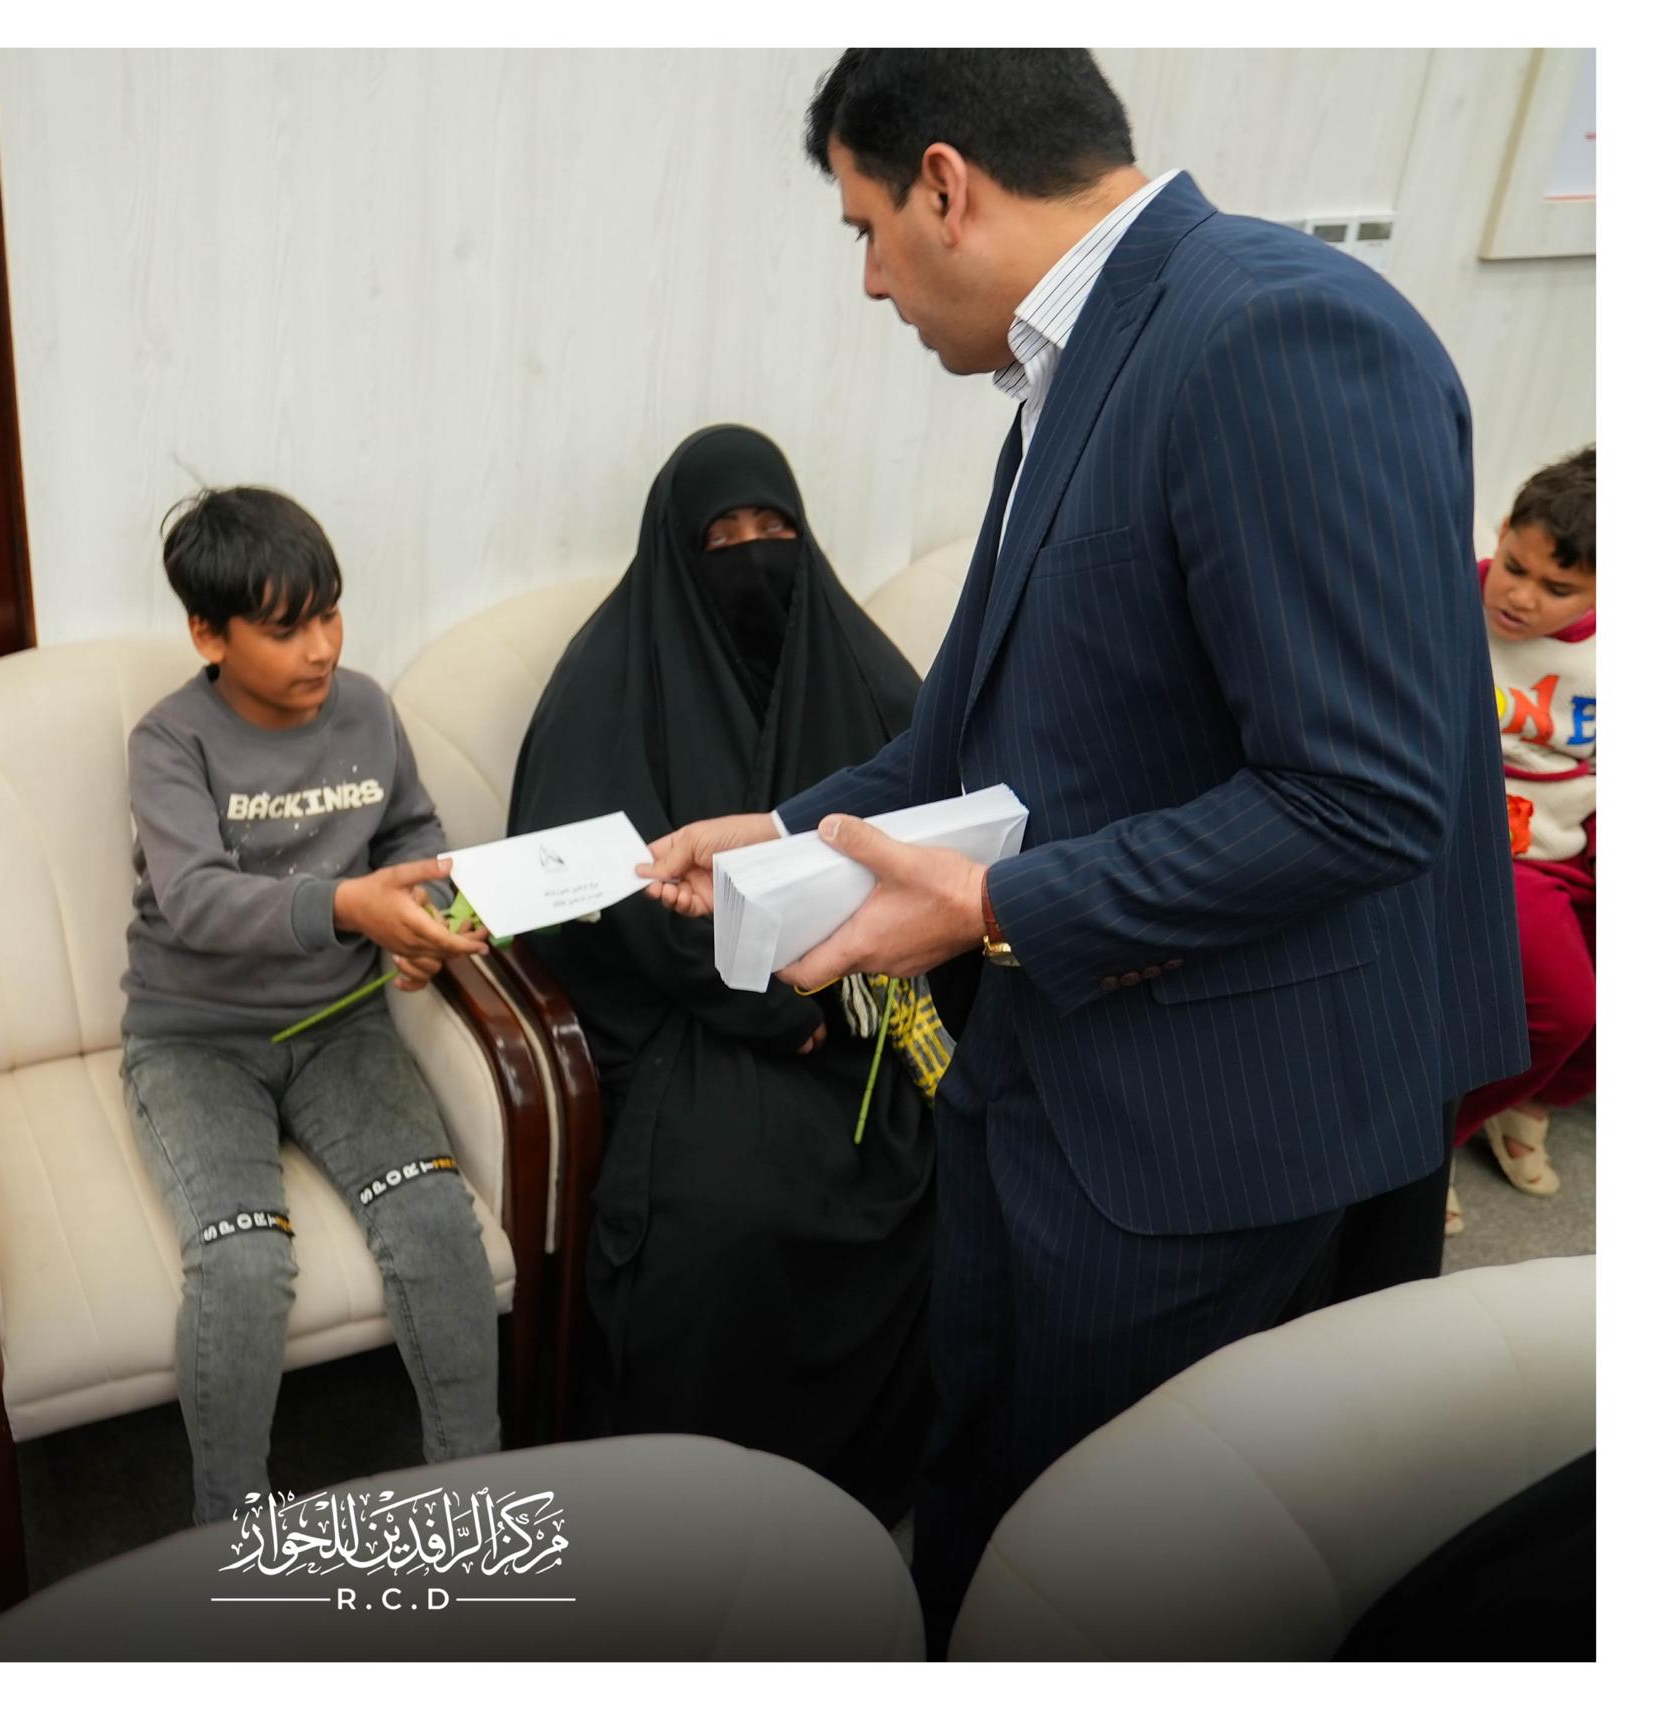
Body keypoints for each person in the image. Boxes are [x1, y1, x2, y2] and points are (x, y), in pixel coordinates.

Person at [634, 50, 1523, 1652]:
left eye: (864, 228)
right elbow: (993, 733)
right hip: (1049, 1066)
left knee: (1129, 1562)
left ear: (947, 186)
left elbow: (1363, 795)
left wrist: (992, 903)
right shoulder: (1079, 360)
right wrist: (780, 825)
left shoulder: (1276, 334)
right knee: (990, 1480)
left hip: (1213, 1124)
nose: (867, 282)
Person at [507, 424, 934, 1523]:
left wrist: (838, 971)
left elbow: (933, 825)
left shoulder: (858, 667)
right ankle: (678, 1515)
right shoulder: (611, 679)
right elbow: (599, 887)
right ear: (675, 552)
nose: (753, 556)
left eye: (772, 528)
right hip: (687, 1018)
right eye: (722, 538)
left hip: (864, 1001)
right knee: (721, 1222)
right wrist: (757, 999)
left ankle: (850, 1505)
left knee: (934, 1179)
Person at [120, 485, 502, 1525]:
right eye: (287, 629)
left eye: (330, 614)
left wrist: (422, 921)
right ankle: (229, 1530)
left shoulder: (368, 710)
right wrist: (348, 908)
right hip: (195, 1043)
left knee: (436, 1220)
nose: (322, 647)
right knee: (243, 1260)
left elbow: (409, 837)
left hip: (342, 1027)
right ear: (209, 634)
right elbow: (195, 899)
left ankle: (473, 1497)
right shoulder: (170, 742)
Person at [1446, 446, 1597, 1233]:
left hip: (1581, 830)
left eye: (1557, 589)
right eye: (1515, 567)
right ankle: (1429, 1141)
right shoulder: (1447, 602)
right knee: (1564, 1007)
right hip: (1500, 843)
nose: (1522, 597)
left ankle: (1537, 1097)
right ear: (1503, 532)